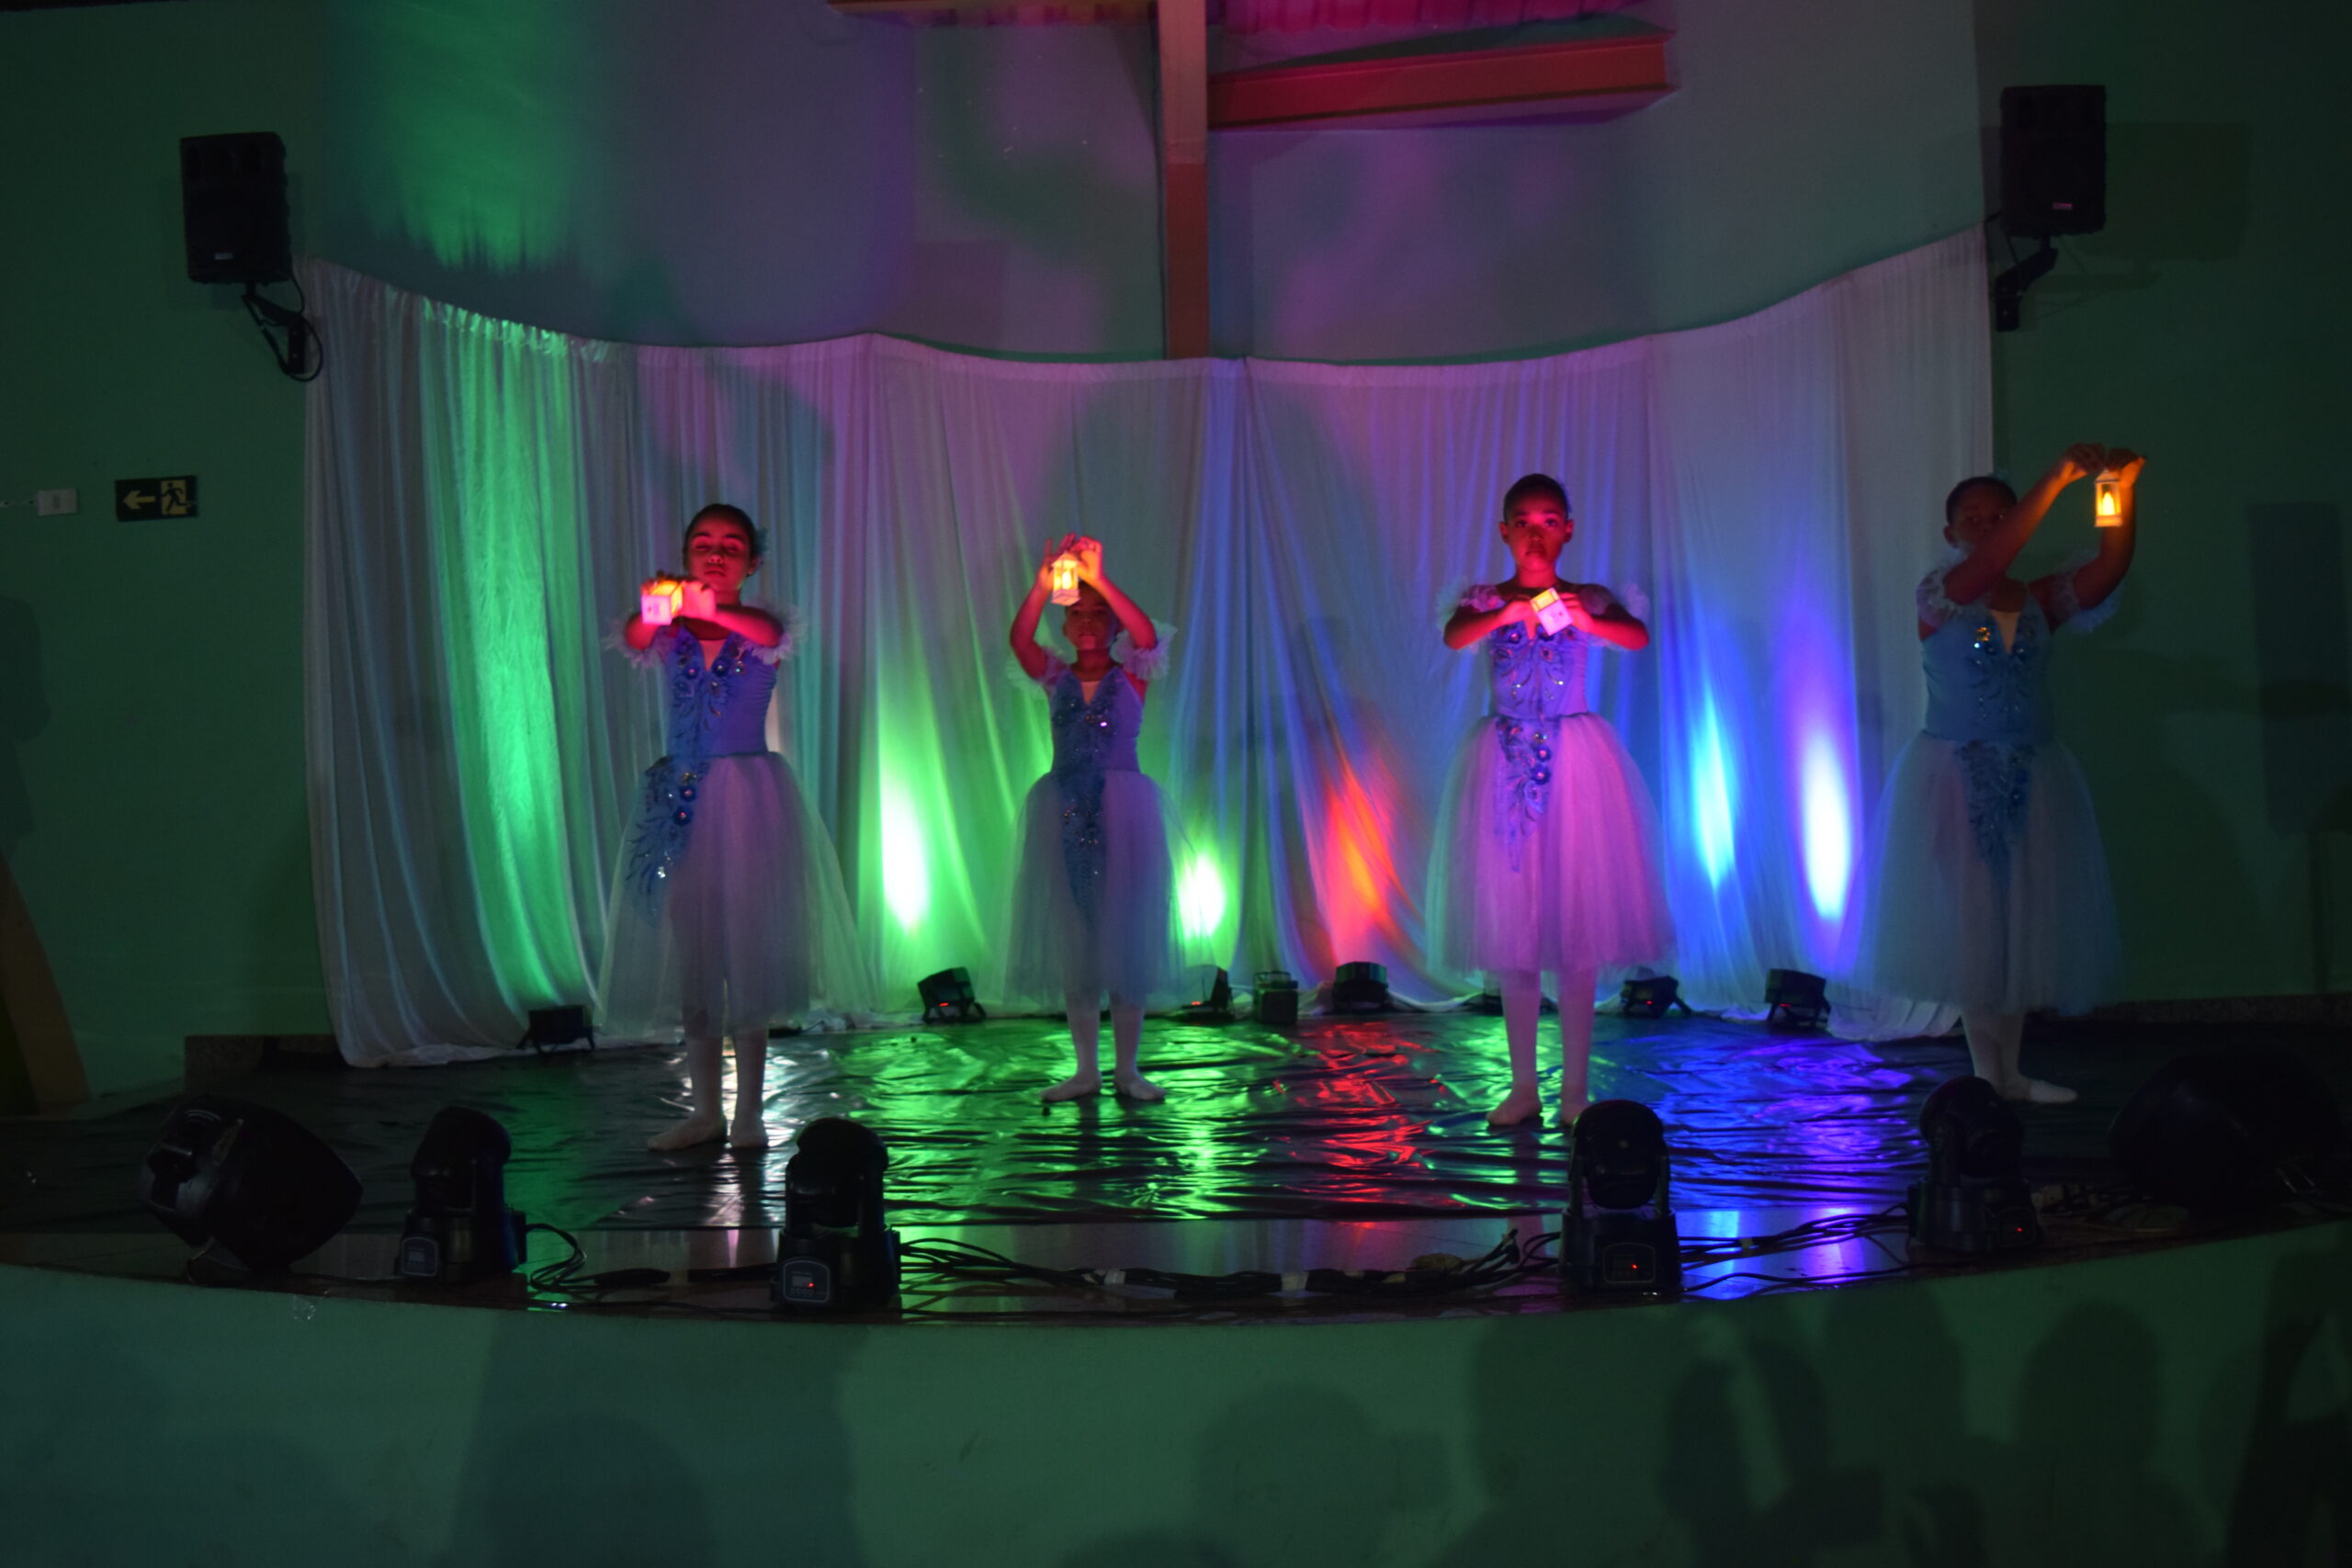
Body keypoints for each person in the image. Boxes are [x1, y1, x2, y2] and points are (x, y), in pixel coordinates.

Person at [1849, 445, 2143, 1103]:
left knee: (2020, 926)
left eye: (1998, 517)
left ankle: (2009, 1073)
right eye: (1973, 519)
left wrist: (2118, 493)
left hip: (2033, 773)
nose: (1986, 528)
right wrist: (2057, 478)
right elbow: (1991, 562)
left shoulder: (2040, 599)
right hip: (1959, 775)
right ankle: (1988, 1076)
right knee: (1977, 924)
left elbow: (2110, 566)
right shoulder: (1942, 595)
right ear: (1950, 532)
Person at [602, 503, 868, 1150]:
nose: (716, 553)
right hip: (683, 798)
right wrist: (662, 603)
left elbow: (762, 629)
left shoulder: (761, 626)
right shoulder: (671, 629)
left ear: (752, 562)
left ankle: (749, 1111)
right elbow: (634, 636)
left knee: (748, 957)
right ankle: (705, 1110)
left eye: (731, 545)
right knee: (696, 956)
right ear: (685, 555)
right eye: (702, 543)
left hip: (748, 800)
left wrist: (706, 605)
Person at [1430, 474, 1674, 1127]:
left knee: (1577, 933)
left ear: (1568, 528)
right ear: (1503, 530)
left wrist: (1586, 619)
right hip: (1504, 763)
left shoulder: (1584, 597)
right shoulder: (1488, 600)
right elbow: (1455, 635)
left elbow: (1635, 636)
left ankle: (1573, 1092)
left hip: (1575, 767)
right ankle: (1523, 1087)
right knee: (1514, 933)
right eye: (1522, 521)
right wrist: (1504, 614)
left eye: (1548, 520)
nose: (1535, 534)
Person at [1004, 534, 1181, 1102]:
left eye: (1098, 613)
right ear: (1063, 623)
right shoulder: (1055, 678)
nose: (1086, 623)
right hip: (1064, 810)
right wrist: (1041, 586)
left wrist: (1099, 579)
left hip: (1123, 815)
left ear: (1112, 624)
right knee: (1075, 943)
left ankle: (1128, 1069)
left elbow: (1147, 635)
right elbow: (1019, 640)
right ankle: (1086, 1070)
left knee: (1125, 938)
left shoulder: (1132, 674)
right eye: (1076, 613)